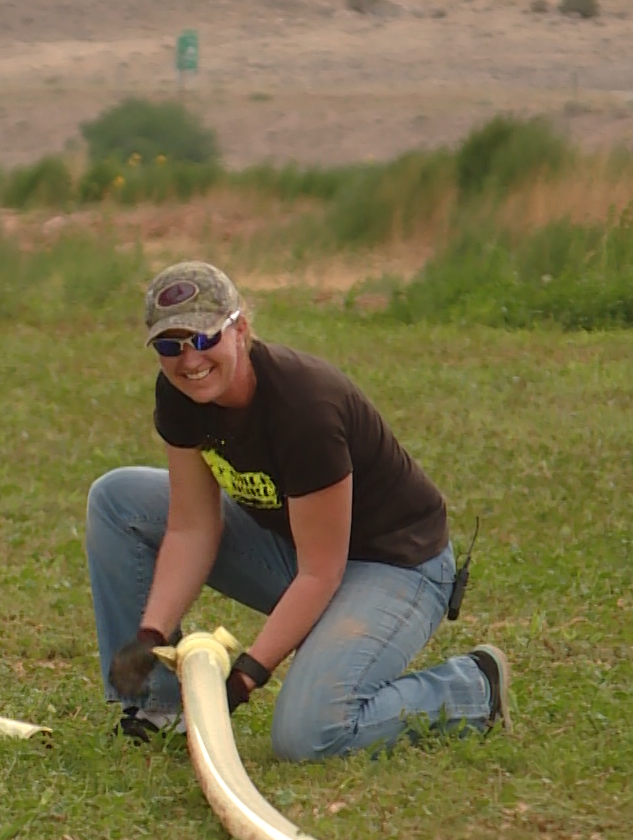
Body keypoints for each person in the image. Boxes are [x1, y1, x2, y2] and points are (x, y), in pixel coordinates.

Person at [85, 260, 510, 760]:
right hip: (299, 549)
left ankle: (472, 688)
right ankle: (159, 709)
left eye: (203, 339)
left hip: (395, 566)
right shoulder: (180, 396)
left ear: (240, 329)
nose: (189, 360)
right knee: (117, 500)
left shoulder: (303, 407)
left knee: (306, 735)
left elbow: (321, 573)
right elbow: (192, 527)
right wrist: (150, 635)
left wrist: (244, 678)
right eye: (168, 346)